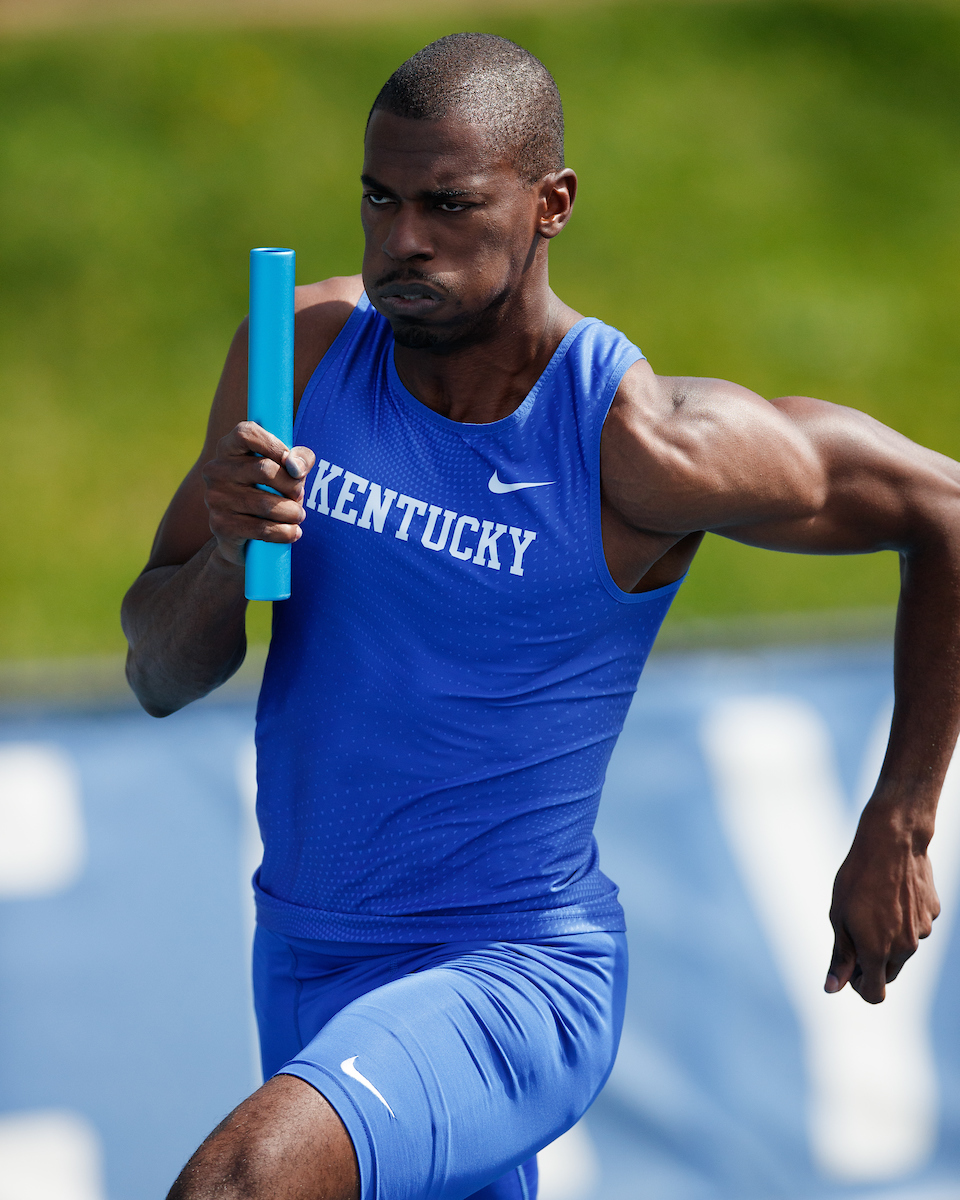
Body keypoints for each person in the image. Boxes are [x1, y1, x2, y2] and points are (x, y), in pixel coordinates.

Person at [121, 32, 958, 1200]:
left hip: (510, 973)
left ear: (550, 203)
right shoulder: (300, 355)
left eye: (449, 206)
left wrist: (902, 821)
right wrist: (226, 553)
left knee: (242, 1184)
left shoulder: (638, 443)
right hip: (306, 955)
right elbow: (156, 673)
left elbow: (946, 511)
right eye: (379, 199)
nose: (401, 242)